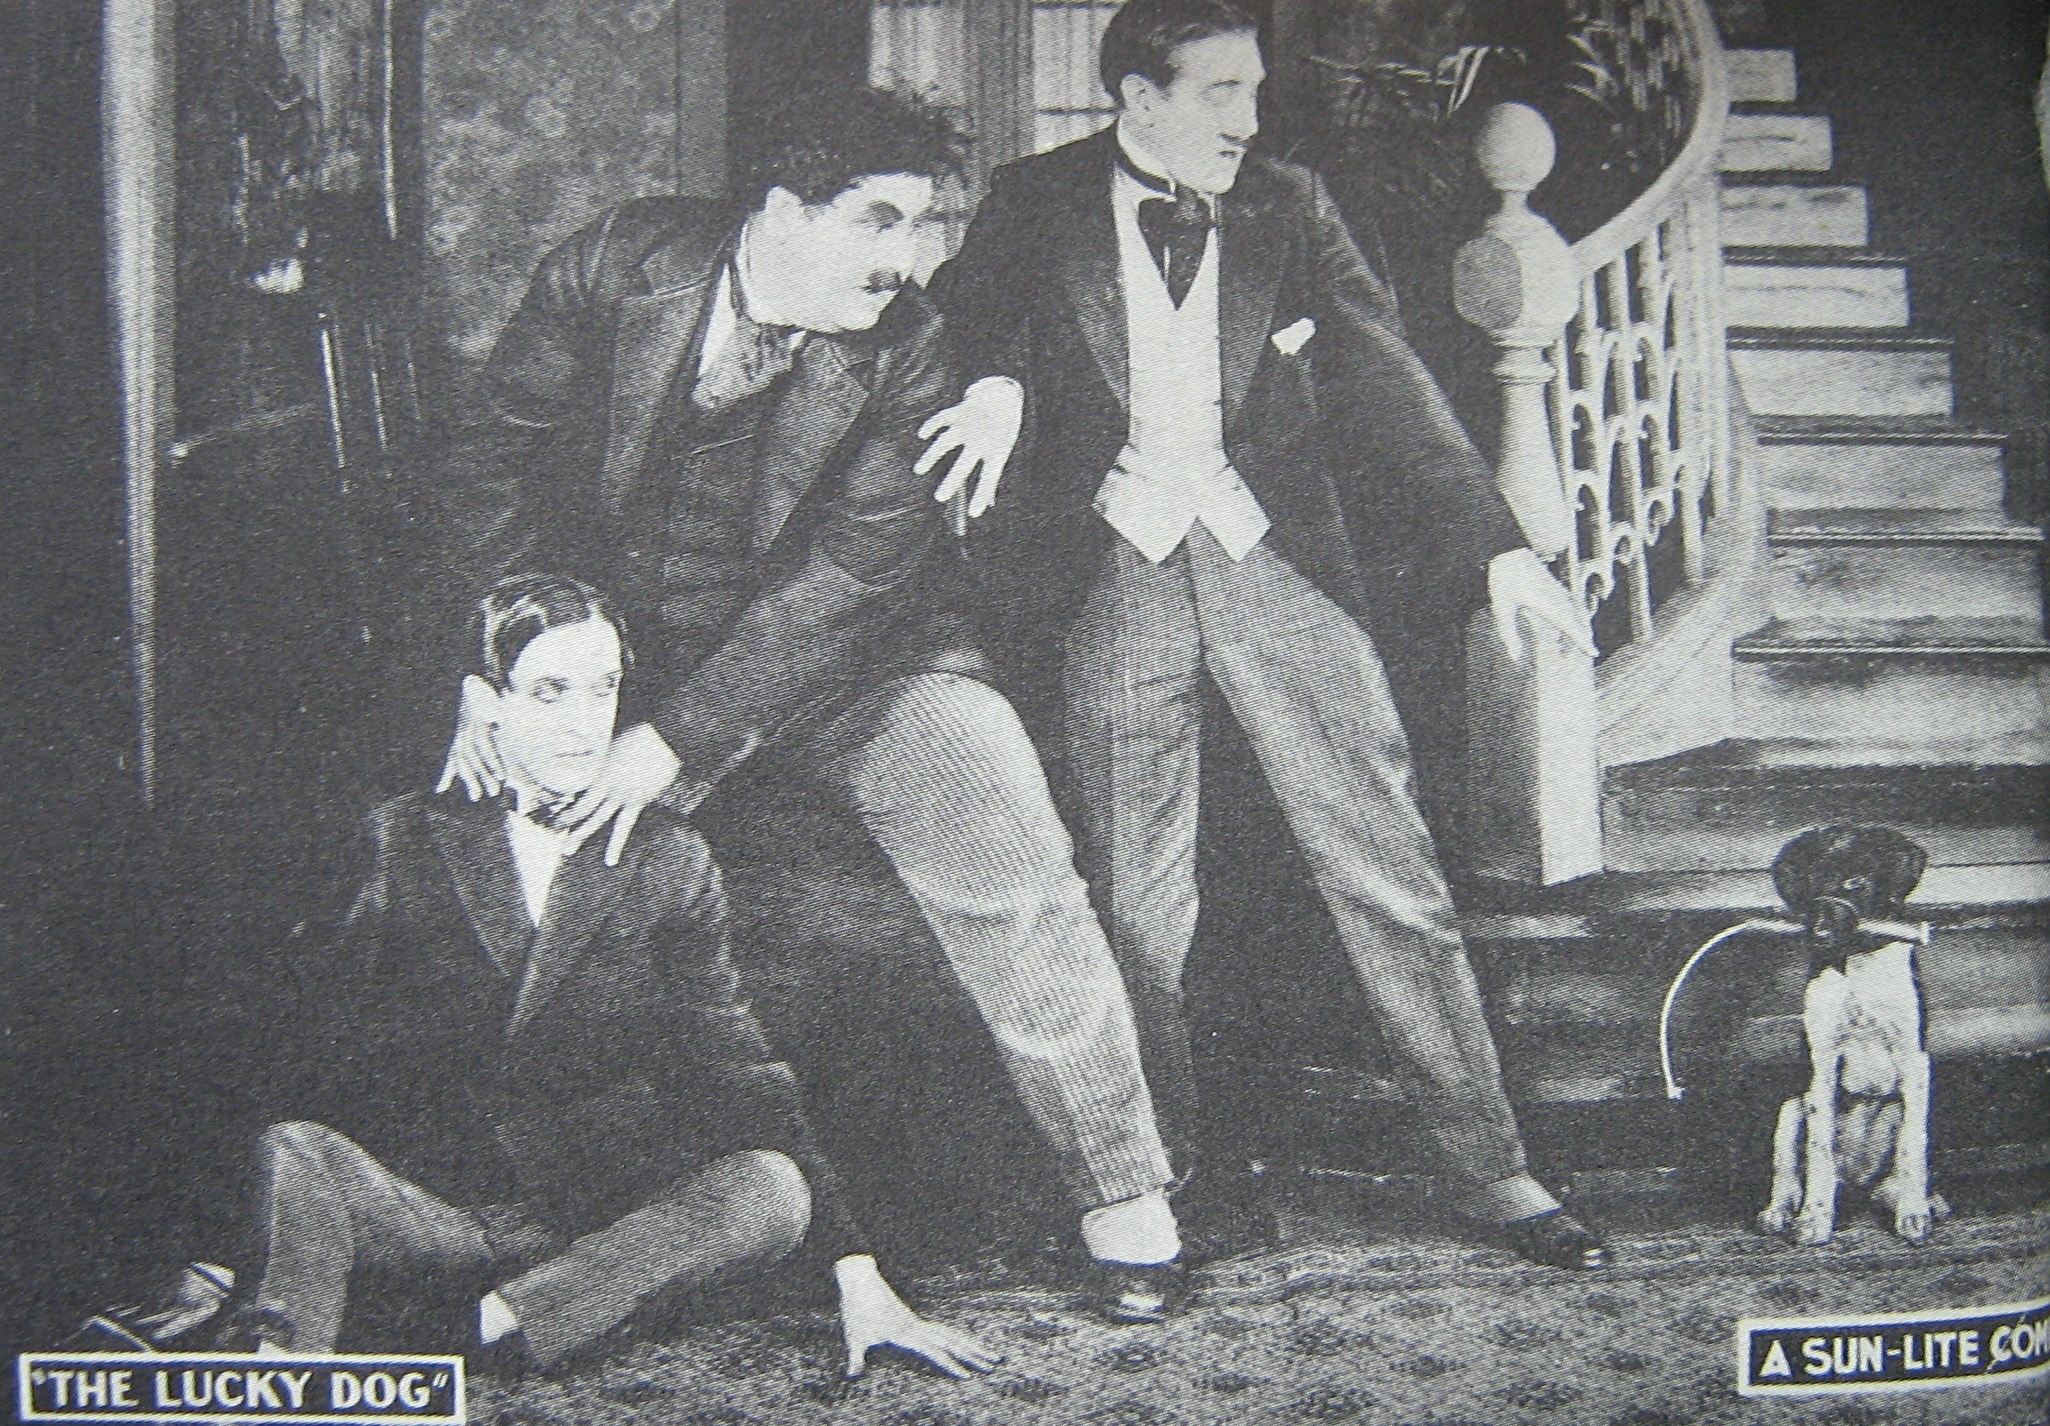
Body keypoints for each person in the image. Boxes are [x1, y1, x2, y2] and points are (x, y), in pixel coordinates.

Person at [427, 89, 1188, 1317]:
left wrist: (669, 744)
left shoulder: (908, 341)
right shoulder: (617, 266)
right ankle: (499, 1220)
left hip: (867, 667)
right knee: (513, 867)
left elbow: (847, 584)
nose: (907, 258)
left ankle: (1124, 1194)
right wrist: (498, 661)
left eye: (925, 224)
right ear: (782, 209)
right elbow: (484, 470)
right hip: (621, 663)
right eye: (878, 219)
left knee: (1009, 845)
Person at [926, 0, 1608, 1269]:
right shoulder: (1035, 199)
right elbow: (966, 320)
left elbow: (1384, 373)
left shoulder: (1289, 204)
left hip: (1270, 560)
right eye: (1220, 91)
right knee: (1136, 903)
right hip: (1113, 571)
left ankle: (1492, 1167)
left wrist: (1499, 546)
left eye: (1252, 89)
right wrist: (999, 379)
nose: (1248, 117)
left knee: (1387, 867)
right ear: (1138, 97)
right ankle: (1162, 1177)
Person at [70, 575, 1000, 1378]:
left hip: (590, 1229)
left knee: (769, 1186)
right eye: (549, 691)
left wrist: (858, 1275)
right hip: (434, 1212)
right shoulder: (404, 837)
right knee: (295, 1148)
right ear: (487, 701)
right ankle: (277, 1364)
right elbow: (306, 1047)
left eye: (604, 690)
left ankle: (478, 1331)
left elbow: (743, 1071)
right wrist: (223, 1253)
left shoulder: (668, 857)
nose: (584, 723)